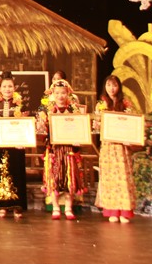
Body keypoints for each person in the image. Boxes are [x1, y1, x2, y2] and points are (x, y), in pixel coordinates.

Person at [39, 80, 86, 220]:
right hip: (54, 149)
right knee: (54, 178)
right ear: (53, 94)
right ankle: (55, 207)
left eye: (63, 93)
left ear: (68, 94)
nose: (60, 96)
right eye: (57, 93)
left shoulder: (74, 111)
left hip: (69, 149)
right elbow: (43, 132)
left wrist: (78, 139)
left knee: (69, 178)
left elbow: (80, 129)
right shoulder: (48, 112)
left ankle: (69, 207)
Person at [95, 74, 137, 223]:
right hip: (108, 146)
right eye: (108, 85)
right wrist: (97, 124)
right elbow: (97, 126)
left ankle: (124, 211)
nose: (111, 88)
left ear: (119, 87)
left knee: (123, 177)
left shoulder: (125, 103)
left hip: (122, 146)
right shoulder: (101, 104)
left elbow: (132, 122)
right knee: (110, 178)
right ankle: (112, 211)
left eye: (114, 85)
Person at [0, 73, 28, 219]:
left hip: (17, 144)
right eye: (4, 86)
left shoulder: (20, 104)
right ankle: (2, 205)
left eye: (10, 86)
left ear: (14, 88)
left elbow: (26, 124)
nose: (7, 89)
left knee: (17, 172)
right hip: (1, 143)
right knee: (2, 172)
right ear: (0, 88)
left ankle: (17, 206)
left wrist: (24, 140)